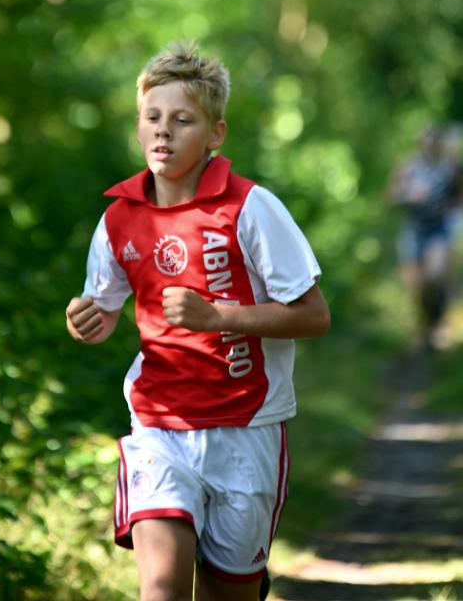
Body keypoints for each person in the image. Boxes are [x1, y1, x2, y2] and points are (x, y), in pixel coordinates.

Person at [66, 43, 330, 601]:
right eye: (152, 117)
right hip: (159, 426)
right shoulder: (119, 218)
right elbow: (103, 310)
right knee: (162, 588)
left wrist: (218, 316)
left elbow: (314, 315)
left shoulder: (250, 207)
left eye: (182, 120)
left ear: (215, 134)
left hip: (247, 427)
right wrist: (87, 320)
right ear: (138, 125)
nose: (163, 130)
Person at [387, 124, 460, 348]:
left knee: (436, 275)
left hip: (438, 230)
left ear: (439, 143)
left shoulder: (451, 167)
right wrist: (408, 194)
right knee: (417, 285)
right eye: (426, 140)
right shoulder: (408, 166)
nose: (430, 145)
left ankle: (441, 321)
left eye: (434, 141)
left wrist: (449, 209)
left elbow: (459, 195)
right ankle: (425, 327)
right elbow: (390, 196)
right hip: (414, 230)